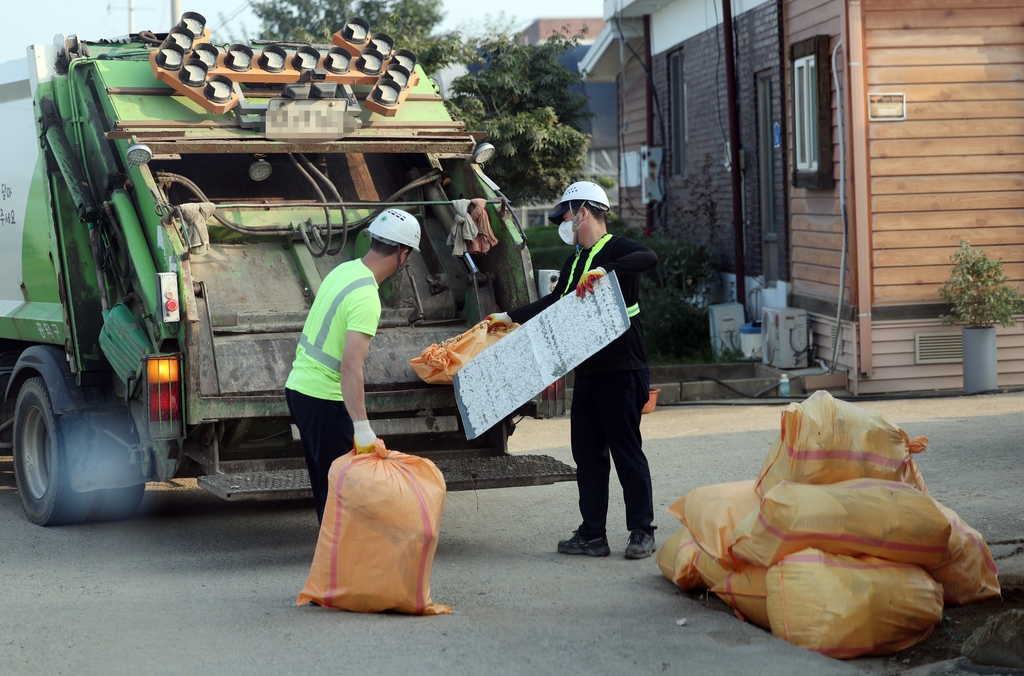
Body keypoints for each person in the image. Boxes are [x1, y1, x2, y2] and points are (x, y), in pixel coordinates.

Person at [487, 182, 659, 559]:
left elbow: (649, 258)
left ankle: (642, 531)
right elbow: (553, 301)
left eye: (565, 214)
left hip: (623, 370)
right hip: (589, 373)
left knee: (626, 451)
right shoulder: (574, 261)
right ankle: (592, 535)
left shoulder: (617, 248)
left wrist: (604, 270)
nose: (562, 223)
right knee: (588, 454)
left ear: (584, 211)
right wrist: (508, 318)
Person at [285, 208, 421, 523]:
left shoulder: (344, 270)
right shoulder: (366, 297)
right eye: (409, 254)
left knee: (328, 489)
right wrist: (362, 426)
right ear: (401, 254)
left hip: (301, 391)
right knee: (342, 497)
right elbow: (350, 367)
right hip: (324, 399)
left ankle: (333, 564)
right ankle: (341, 566)